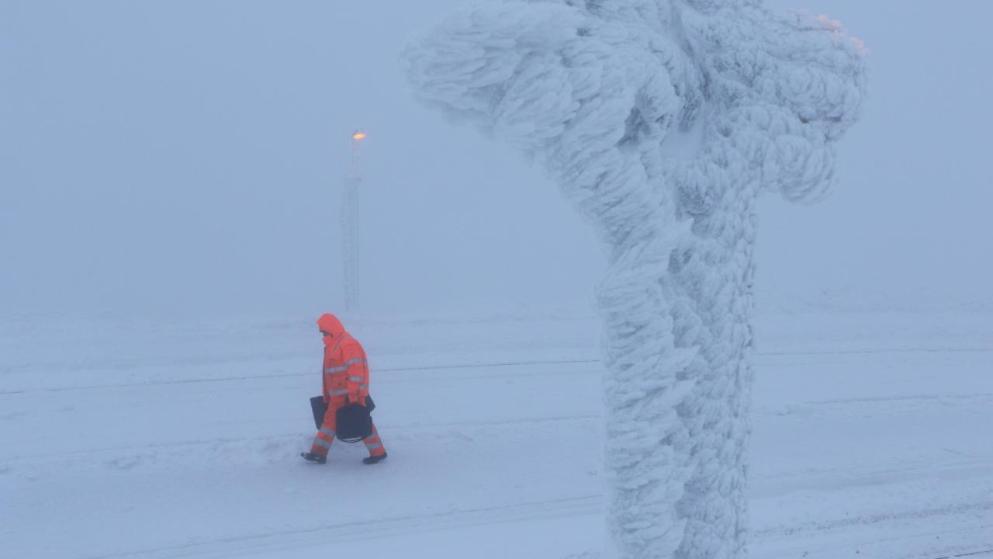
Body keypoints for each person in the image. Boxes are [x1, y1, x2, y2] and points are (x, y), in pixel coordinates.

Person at [301, 313, 387, 465]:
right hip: (339, 395)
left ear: (331, 328)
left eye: (324, 331)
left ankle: (318, 453)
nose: (322, 334)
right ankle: (378, 452)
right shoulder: (333, 345)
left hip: (348, 394)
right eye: (322, 332)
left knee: (356, 421)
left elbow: (356, 370)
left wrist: (352, 393)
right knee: (355, 421)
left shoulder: (347, 344)